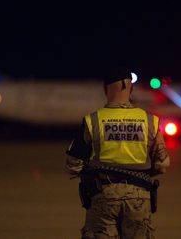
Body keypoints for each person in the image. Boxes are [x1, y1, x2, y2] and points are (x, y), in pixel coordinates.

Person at [66, 68, 170, 239]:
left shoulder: (93, 120)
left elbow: (72, 165)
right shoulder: (150, 121)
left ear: (105, 90)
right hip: (139, 198)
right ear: (131, 90)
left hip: (102, 196)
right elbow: (162, 163)